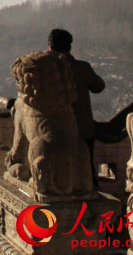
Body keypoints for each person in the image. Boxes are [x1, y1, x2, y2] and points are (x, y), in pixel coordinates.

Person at [47, 28, 105, 186]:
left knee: (60, 172)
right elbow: (99, 86)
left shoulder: (44, 71)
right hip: (83, 129)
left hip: (54, 130)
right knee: (87, 170)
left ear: (50, 47)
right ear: (70, 47)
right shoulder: (82, 68)